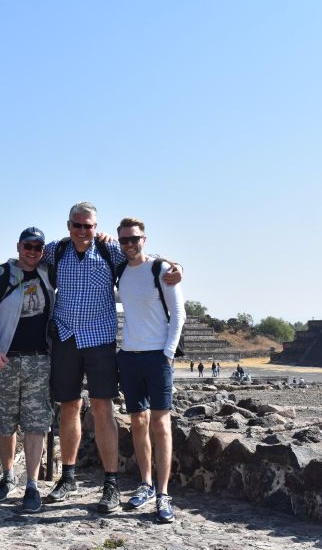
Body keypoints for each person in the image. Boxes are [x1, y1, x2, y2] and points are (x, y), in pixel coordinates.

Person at [0, 202, 182, 514]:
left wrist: (175, 265)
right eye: (77, 225)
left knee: (102, 408)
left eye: (88, 226)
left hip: (99, 338)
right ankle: (68, 477)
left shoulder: (111, 252)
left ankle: (110, 484)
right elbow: (23, 258)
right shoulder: (55, 250)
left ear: (96, 227)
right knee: (68, 407)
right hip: (66, 337)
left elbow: (141, 255)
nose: (83, 231)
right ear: (68, 225)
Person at [0, 227, 55, 514]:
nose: (33, 251)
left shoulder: (48, 272)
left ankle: (32, 484)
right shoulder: (1, 275)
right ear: (18, 247)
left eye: (38, 247)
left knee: (36, 424)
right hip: (6, 360)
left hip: (39, 360)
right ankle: (8, 476)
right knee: (5, 423)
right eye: (28, 246)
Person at [115, 217, 185, 524]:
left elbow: (179, 313)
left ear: (145, 239)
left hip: (157, 355)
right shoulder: (120, 272)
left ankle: (163, 493)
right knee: (138, 422)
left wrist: (168, 354)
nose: (130, 244)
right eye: (124, 240)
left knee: (161, 423)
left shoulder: (160, 270)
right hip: (129, 356)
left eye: (135, 239)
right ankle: (145, 483)